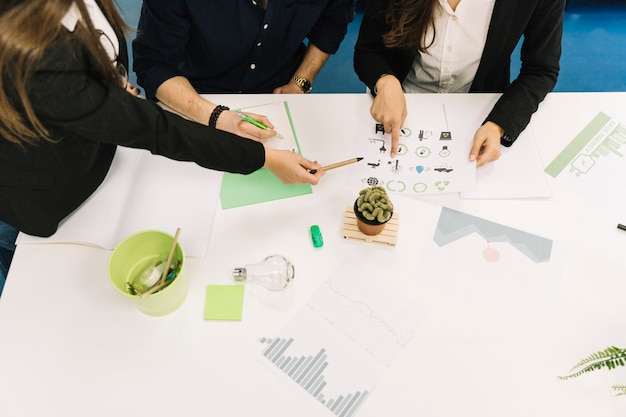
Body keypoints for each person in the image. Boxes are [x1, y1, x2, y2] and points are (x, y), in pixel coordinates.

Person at [0, 0, 324, 295]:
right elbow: (158, 130)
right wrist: (264, 157)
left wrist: (108, 85)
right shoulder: (34, 50)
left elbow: (97, 55)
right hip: (43, 191)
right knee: (40, 289)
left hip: (95, 154)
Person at [354, 0, 565, 166]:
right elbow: (368, 50)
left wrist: (499, 125)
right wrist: (385, 81)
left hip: (481, 109)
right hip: (401, 102)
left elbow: (541, 70)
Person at [132, 0, 355, 141]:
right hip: (196, 97)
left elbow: (333, 21)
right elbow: (154, 63)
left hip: (278, 93)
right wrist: (217, 117)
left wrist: (300, 82)